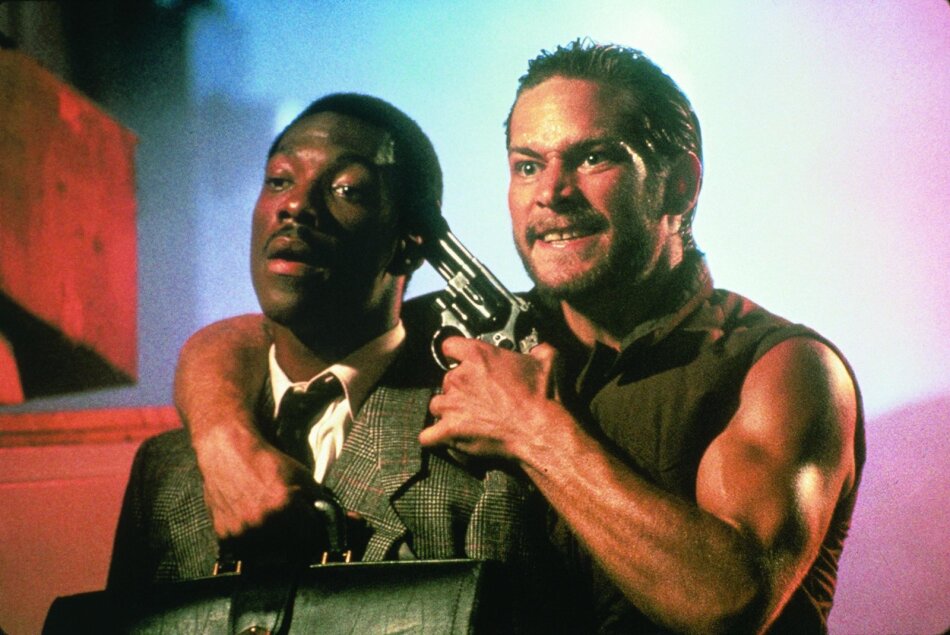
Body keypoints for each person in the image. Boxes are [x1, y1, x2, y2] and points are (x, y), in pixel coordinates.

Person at [172, 42, 864, 633]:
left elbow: (728, 601)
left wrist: (535, 431)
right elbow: (250, 338)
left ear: (679, 185)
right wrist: (225, 443)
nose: (551, 192)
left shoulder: (784, 367)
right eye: (528, 165)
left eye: (593, 158)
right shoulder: (484, 332)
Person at [107, 93, 552, 597]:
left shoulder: (483, 465)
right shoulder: (165, 473)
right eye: (279, 180)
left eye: (347, 190)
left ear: (411, 242)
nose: (295, 205)